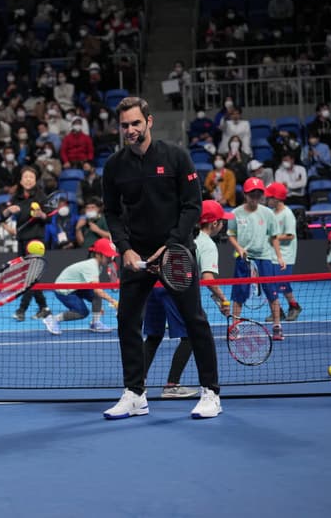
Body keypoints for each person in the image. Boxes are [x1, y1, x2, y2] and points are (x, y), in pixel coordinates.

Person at [102, 96, 222, 420]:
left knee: (194, 320)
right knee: (127, 322)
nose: (130, 130)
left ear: (149, 121)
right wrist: (124, 247)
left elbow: (192, 207)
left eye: (136, 123)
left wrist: (170, 246)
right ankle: (135, 395)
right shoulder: (114, 166)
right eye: (125, 125)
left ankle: (211, 392)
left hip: (176, 253)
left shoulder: (176, 157)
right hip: (136, 258)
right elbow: (111, 212)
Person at [141, 200, 233, 401]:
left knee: (154, 337)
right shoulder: (207, 244)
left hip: (154, 288)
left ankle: (137, 385)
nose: (223, 225)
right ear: (215, 223)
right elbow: (208, 279)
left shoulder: (181, 234)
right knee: (192, 335)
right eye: (222, 221)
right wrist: (224, 301)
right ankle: (171, 385)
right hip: (175, 289)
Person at [227, 177, 286, 340]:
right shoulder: (235, 214)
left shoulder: (267, 213)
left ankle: (277, 326)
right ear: (245, 194)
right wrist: (239, 248)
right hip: (244, 259)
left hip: (264, 258)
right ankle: (234, 327)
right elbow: (231, 235)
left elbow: (274, 237)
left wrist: (279, 257)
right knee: (239, 294)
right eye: (252, 194)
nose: (255, 197)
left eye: (258, 194)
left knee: (272, 292)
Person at [42, 238, 118, 335]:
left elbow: (96, 291)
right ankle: (52, 319)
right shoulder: (92, 266)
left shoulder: (98, 266)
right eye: (108, 256)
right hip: (64, 290)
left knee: (97, 296)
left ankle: (95, 323)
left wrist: (97, 307)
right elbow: (97, 289)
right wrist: (113, 301)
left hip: (77, 287)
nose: (110, 259)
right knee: (82, 312)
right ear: (98, 254)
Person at [3, 167, 51, 321]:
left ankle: (21, 310)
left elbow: (48, 218)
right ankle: (44, 307)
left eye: (32, 177)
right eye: (26, 177)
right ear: (21, 180)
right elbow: (1, 217)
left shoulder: (41, 197)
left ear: (35, 180)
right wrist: (8, 211)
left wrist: (41, 214)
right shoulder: (17, 197)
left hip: (36, 241)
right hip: (21, 239)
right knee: (29, 276)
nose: (29, 179)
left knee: (30, 276)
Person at [264, 183, 302, 322]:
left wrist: (274, 237)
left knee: (283, 284)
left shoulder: (287, 214)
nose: (267, 200)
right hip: (271, 254)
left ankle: (294, 306)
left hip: (285, 256)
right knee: (270, 284)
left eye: (270, 198)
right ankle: (278, 310)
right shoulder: (272, 213)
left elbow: (290, 235)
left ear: (277, 198)